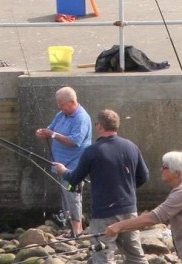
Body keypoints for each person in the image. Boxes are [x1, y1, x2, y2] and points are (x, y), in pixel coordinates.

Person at [57, 109, 149, 264]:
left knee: (103, 257)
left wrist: (63, 170)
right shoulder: (131, 147)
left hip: (103, 214)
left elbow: (74, 179)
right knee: (135, 256)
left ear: (99, 126)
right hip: (129, 211)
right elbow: (144, 176)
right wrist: (127, 189)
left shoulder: (92, 151)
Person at [104, 151, 182, 264]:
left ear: (176, 172)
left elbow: (153, 218)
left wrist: (118, 226)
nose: (161, 170)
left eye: (165, 167)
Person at [35, 86, 92, 237]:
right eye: (58, 104)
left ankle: (77, 230)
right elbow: (51, 129)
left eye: (62, 104)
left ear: (72, 102)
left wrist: (53, 135)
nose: (59, 107)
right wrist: (44, 132)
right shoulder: (61, 115)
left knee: (72, 195)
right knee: (66, 195)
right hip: (61, 165)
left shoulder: (81, 118)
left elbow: (75, 141)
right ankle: (71, 227)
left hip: (75, 166)